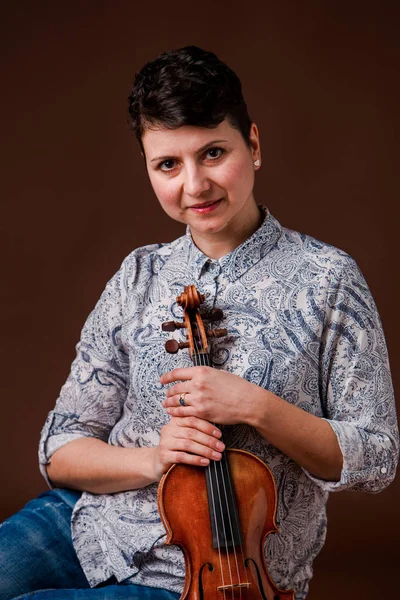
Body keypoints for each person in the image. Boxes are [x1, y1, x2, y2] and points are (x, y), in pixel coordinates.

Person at [0, 46, 398, 600]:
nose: (195, 185)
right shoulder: (139, 274)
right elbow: (61, 448)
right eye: (168, 164)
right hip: (84, 525)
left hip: (211, 576)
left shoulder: (329, 280)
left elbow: (377, 456)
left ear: (253, 145)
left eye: (213, 153)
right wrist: (155, 458)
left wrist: (255, 407)